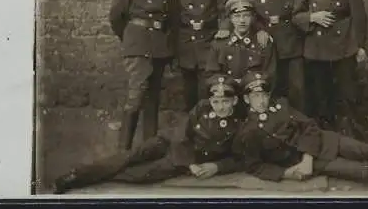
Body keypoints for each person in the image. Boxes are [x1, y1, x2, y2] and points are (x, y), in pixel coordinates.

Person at [51, 74, 244, 194]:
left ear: (234, 101)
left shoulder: (239, 125)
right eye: (216, 101)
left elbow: (240, 158)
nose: (220, 106)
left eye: (225, 102)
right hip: (173, 145)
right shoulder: (201, 108)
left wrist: (216, 167)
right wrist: (191, 163)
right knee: (129, 156)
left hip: (181, 161)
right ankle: (75, 176)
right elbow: (181, 135)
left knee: (140, 175)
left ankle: (96, 178)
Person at [233, 70, 368, 184]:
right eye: (256, 97)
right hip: (313, 163)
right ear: (246, 99)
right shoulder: (248, 131)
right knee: (365, 172)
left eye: (264, 95)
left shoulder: (281, 106)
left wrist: (307, 158)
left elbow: (309, 126)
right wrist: (285, 173)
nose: (261, 101)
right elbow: (253, 165)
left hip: (324, 141)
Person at [292, 0, 368, 142]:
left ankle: (363, 142)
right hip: (316, 49)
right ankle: (326, 142)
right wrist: (311, 17)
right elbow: (295, 16)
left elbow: (358, 13)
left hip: (344, 45)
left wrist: (360, 45)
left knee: (350, 95)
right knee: (321, 98)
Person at [108, 0, 172, 150]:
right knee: (136, 95)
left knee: (153, 99)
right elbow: (116, 16)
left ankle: (148, 150)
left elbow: (166, 19)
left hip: (158, 48)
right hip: (138, 46)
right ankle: (123, 151)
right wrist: (131, 40)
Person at [168, 0, 232, 111]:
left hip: (208, 43)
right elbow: (173, 21)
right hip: (186, 45)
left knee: (208, 89)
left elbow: (226, 11)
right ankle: (192, 129)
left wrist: (224, 29)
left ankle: (209, 128)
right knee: (189, 92)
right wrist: (174, 50)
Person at [245, 0, 305, 110]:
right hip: (268, 39)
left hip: (290, 36)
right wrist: (260, 29)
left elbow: (301, 6)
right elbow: (250, 12)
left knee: (297, 86)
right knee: (271, 84)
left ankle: (299, 124)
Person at [205, 0, 277, 118]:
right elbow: (211, 75)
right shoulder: (220, 44)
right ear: (231, 19)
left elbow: (270, 74)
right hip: (228, 99)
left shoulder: (262, 42)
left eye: (246, 16)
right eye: (237, 16)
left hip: (254, 98)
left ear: (253, 17)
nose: (242, 21)